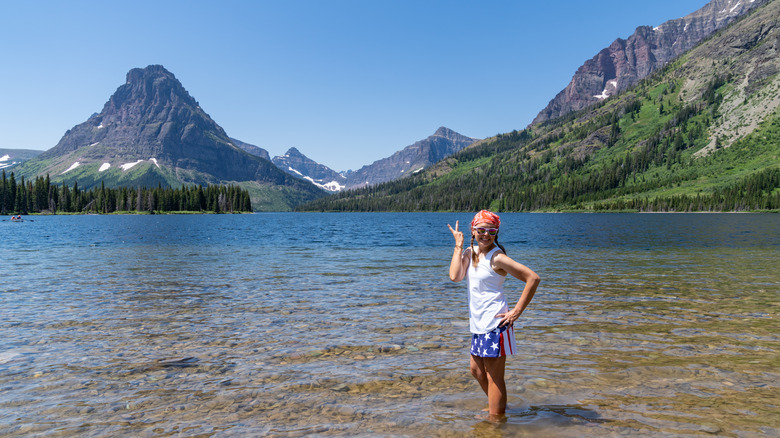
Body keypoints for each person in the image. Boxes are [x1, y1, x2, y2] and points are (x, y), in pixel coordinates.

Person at [448, 210, 540, 418]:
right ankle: (497, 409)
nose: (486, 234)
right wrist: (459, 245)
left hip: (495, 325)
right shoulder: (469, 252)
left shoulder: (497, 257)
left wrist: (516, 311)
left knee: (494, 377)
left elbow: (532, 278)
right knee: (476, 371)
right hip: (478, 325)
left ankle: (496, 421)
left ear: (496, 232)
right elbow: (455, 276)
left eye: (491, 230)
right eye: (481, 230)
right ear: (473, 231)